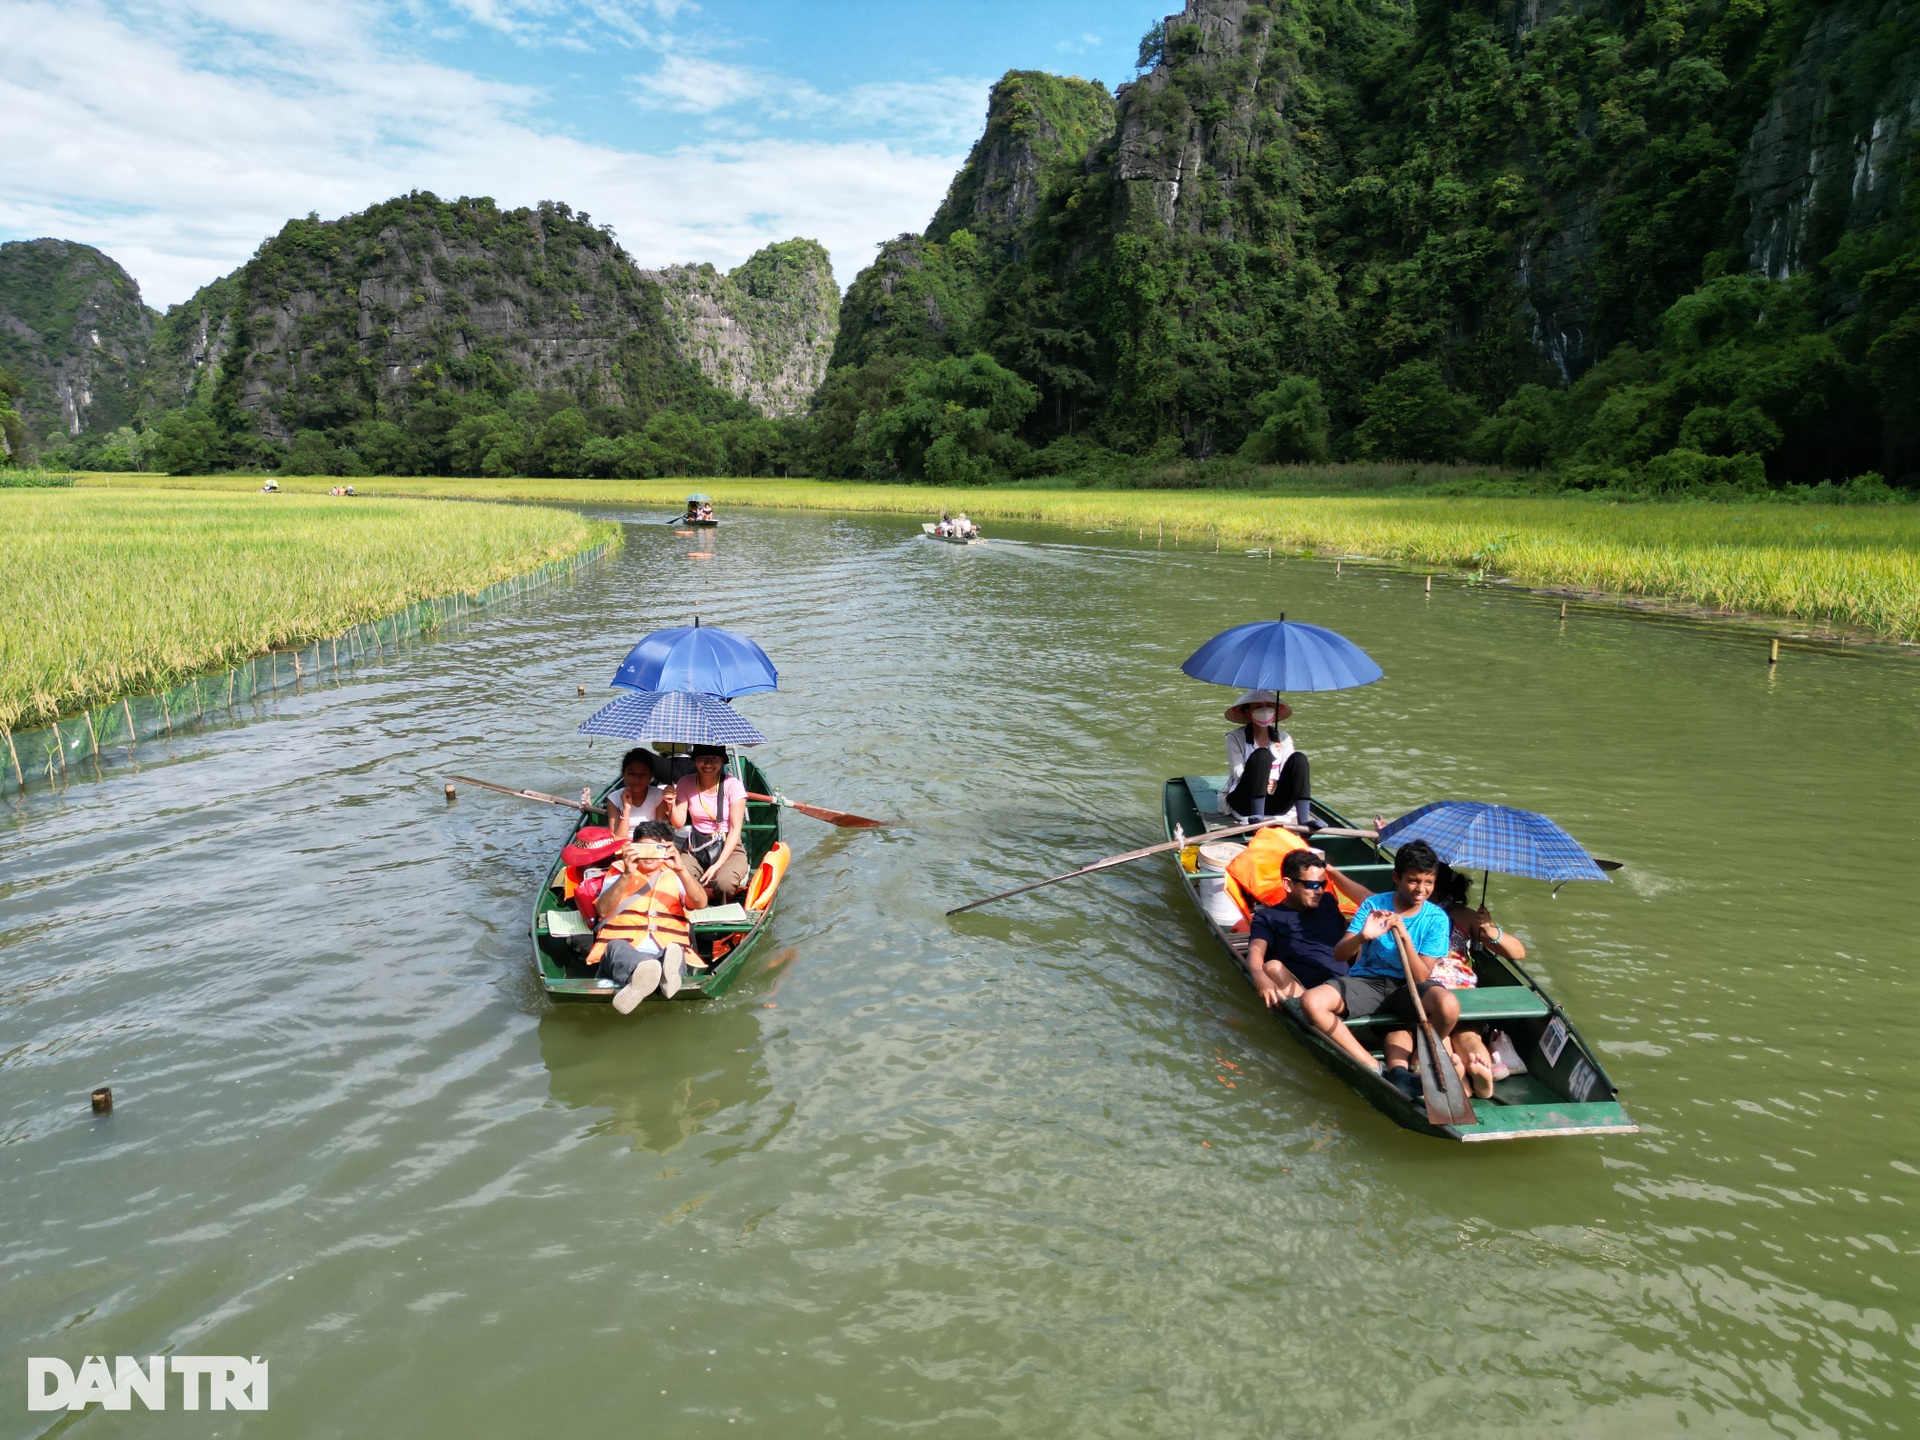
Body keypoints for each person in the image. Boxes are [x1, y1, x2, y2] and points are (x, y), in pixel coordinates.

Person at [1301, 839, 1458, 1101]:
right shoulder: (1374, 905)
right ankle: (1372, 1066)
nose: (1421, 889)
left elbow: (1421, 976)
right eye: (1413, 881)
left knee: (1449, 1006)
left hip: (1408, 988)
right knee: (1311, 1002)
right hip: (1368, 983)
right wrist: (1363, 936)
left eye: (1428, 882)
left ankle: (1419, 1060)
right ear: (1396, 877)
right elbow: (1340, 954)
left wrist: (1405, 936)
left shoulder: (1437, 918)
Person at [1431, 863, 1529, 1098]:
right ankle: (1479, 1064)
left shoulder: (1413, 912)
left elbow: (1517, 951)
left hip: (1432, 991)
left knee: (1438, 1034)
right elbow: (1517, 952)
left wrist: (1488, 929)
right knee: (1469, 1036)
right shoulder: (1462, 915)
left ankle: (1458, 1076)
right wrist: (1488, 930)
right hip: (1465, 990)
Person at [591, 820, 709, 1011]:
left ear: (666, 849)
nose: (649, 855)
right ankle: (642, 974)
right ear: (633, 848)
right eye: (643, 848)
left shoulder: (676, 876)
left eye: (656, 848)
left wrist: (681, 869)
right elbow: (603, 911)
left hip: (665, 949)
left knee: (675, 951)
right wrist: (627, 875)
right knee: (616, 946)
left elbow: (700, 902)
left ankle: (664, 976)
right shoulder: (618, 874)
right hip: (625, 950)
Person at [1244, 847, 1370, 1007]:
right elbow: (1255, 951)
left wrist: (1330, 870)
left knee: (1368, 931)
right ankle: (1308, 1017)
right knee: (1271, 967)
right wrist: (1258, 976)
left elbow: (1371, 903)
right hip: (1302, 990)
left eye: (1322, 884)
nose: (1318, 891)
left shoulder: (1327, 901)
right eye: (1311, 885)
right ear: (1288, 884)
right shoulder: (1268, 917)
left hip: (1341, 985)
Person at [1221, 690, 1313, 825]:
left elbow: (1289, 774)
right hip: (1246, 802)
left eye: (1268, 707)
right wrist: (1264, 778)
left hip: (1275, 802)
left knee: (1299, 759)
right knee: (1262, 755)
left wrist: (1274, 784)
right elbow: (1238, 774)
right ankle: (1257, 819)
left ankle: (1304, 821)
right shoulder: (1234, 738)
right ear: (1248, 713)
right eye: (1259, 707)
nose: (1265, 711)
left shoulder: (1283, 738)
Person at [671, 744, 750, 900]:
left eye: (714, 759)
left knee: (724, 883)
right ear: (694, 761)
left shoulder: (733, 785)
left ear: (721, 761)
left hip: (729, 846)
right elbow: (678, 823)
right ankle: (696, 902)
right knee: (675, 879)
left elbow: (735, 829)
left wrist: (717, 865)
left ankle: (713, 898)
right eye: (702, 759)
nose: (708, 764)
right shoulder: (685, 783)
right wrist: (670, 803)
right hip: (696, 847)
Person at [591, 747, 669, 840]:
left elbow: (659, 835)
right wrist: (626, 808)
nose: (637, 779)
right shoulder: (613, 798)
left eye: (643, 774)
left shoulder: (659, 796)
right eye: (632, 774)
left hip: (650, 845)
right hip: (623, 846)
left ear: (650, 776)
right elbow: (616, 838)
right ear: (623, 774)